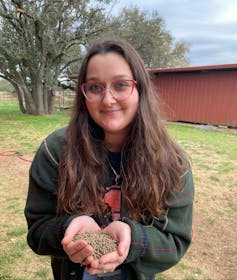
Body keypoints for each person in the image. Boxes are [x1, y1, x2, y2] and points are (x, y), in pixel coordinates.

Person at [24, 39, 194, 280]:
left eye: (121, 85)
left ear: (140, 89)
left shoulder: (173, 163)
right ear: (83, 94)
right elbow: (37, 230)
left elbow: (176, 241)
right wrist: (67, 228)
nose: (107, 100)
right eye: (95, 87)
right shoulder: (55, 151)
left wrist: (134, 239)